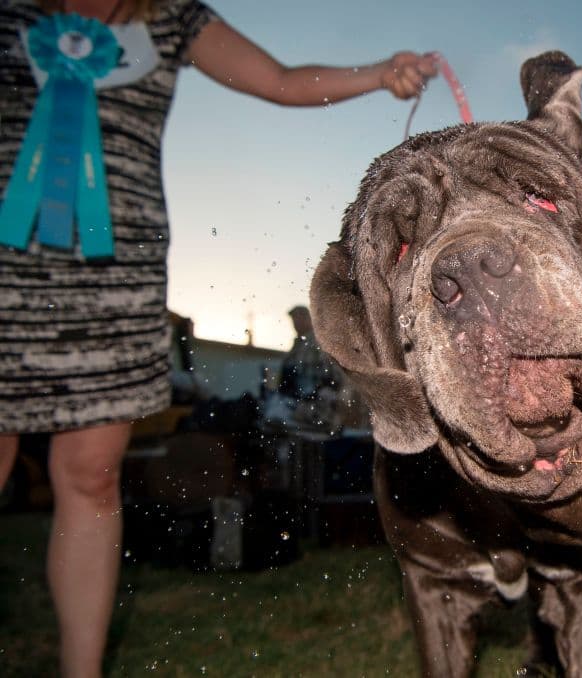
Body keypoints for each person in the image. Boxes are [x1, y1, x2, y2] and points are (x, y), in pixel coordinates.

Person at [0, 1, 436, 676]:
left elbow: (282, 80)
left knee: (91, 475)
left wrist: (380, 73)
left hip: (115, 270)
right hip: (7, 260)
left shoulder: (171, 17)